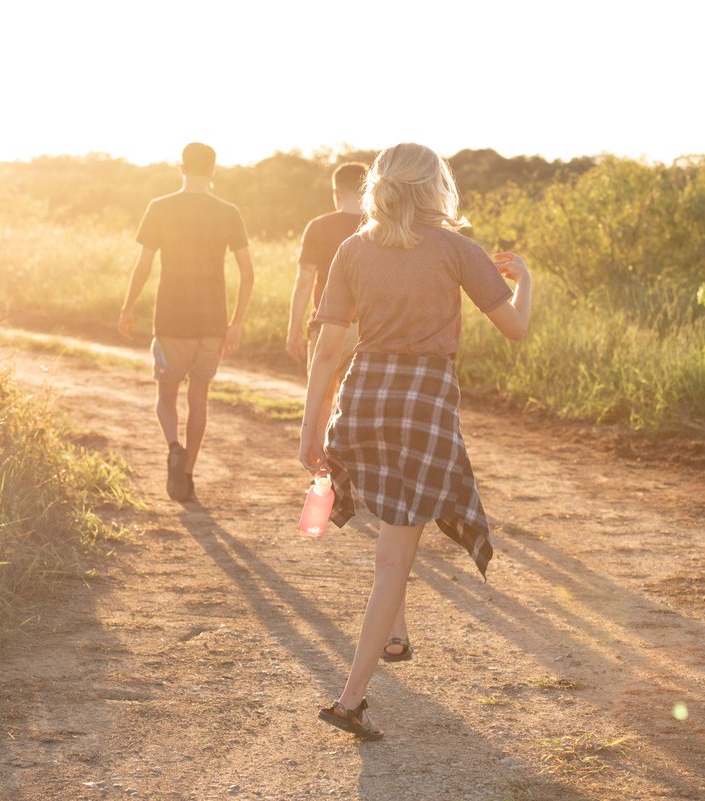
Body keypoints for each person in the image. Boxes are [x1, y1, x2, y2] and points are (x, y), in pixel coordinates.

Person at [299, 143, 533, 739]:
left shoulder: (352, 248)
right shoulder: (457, 248)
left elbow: (327, 352)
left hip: (364, 395)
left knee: (391, 517)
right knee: (394, 558)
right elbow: (515, 329)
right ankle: (351, 700)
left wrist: (311, 429)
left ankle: (396, 635)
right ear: (436, 187)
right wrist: (524, 281)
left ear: (381, 185)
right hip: (422, 402)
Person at [118, 142, 254, 502]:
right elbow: (247, 273)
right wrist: (236, 322)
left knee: (166, 395)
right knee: (199, 398)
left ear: (181, 167)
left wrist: (127, 307)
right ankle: (188, 475)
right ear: (214, 170)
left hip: (170, 322)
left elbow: (143, 266)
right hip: (212, 323)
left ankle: (173, 446)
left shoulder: (160, 208)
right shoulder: (228, 212)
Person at [286, 161, 367, 419]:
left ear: (336, 193)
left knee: (322, 400)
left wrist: (293, 330)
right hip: (371, 329)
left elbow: (304, 281)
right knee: (357, 403)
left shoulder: (318, 226)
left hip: (326, 326)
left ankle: (317, 456)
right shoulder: (381, 228)